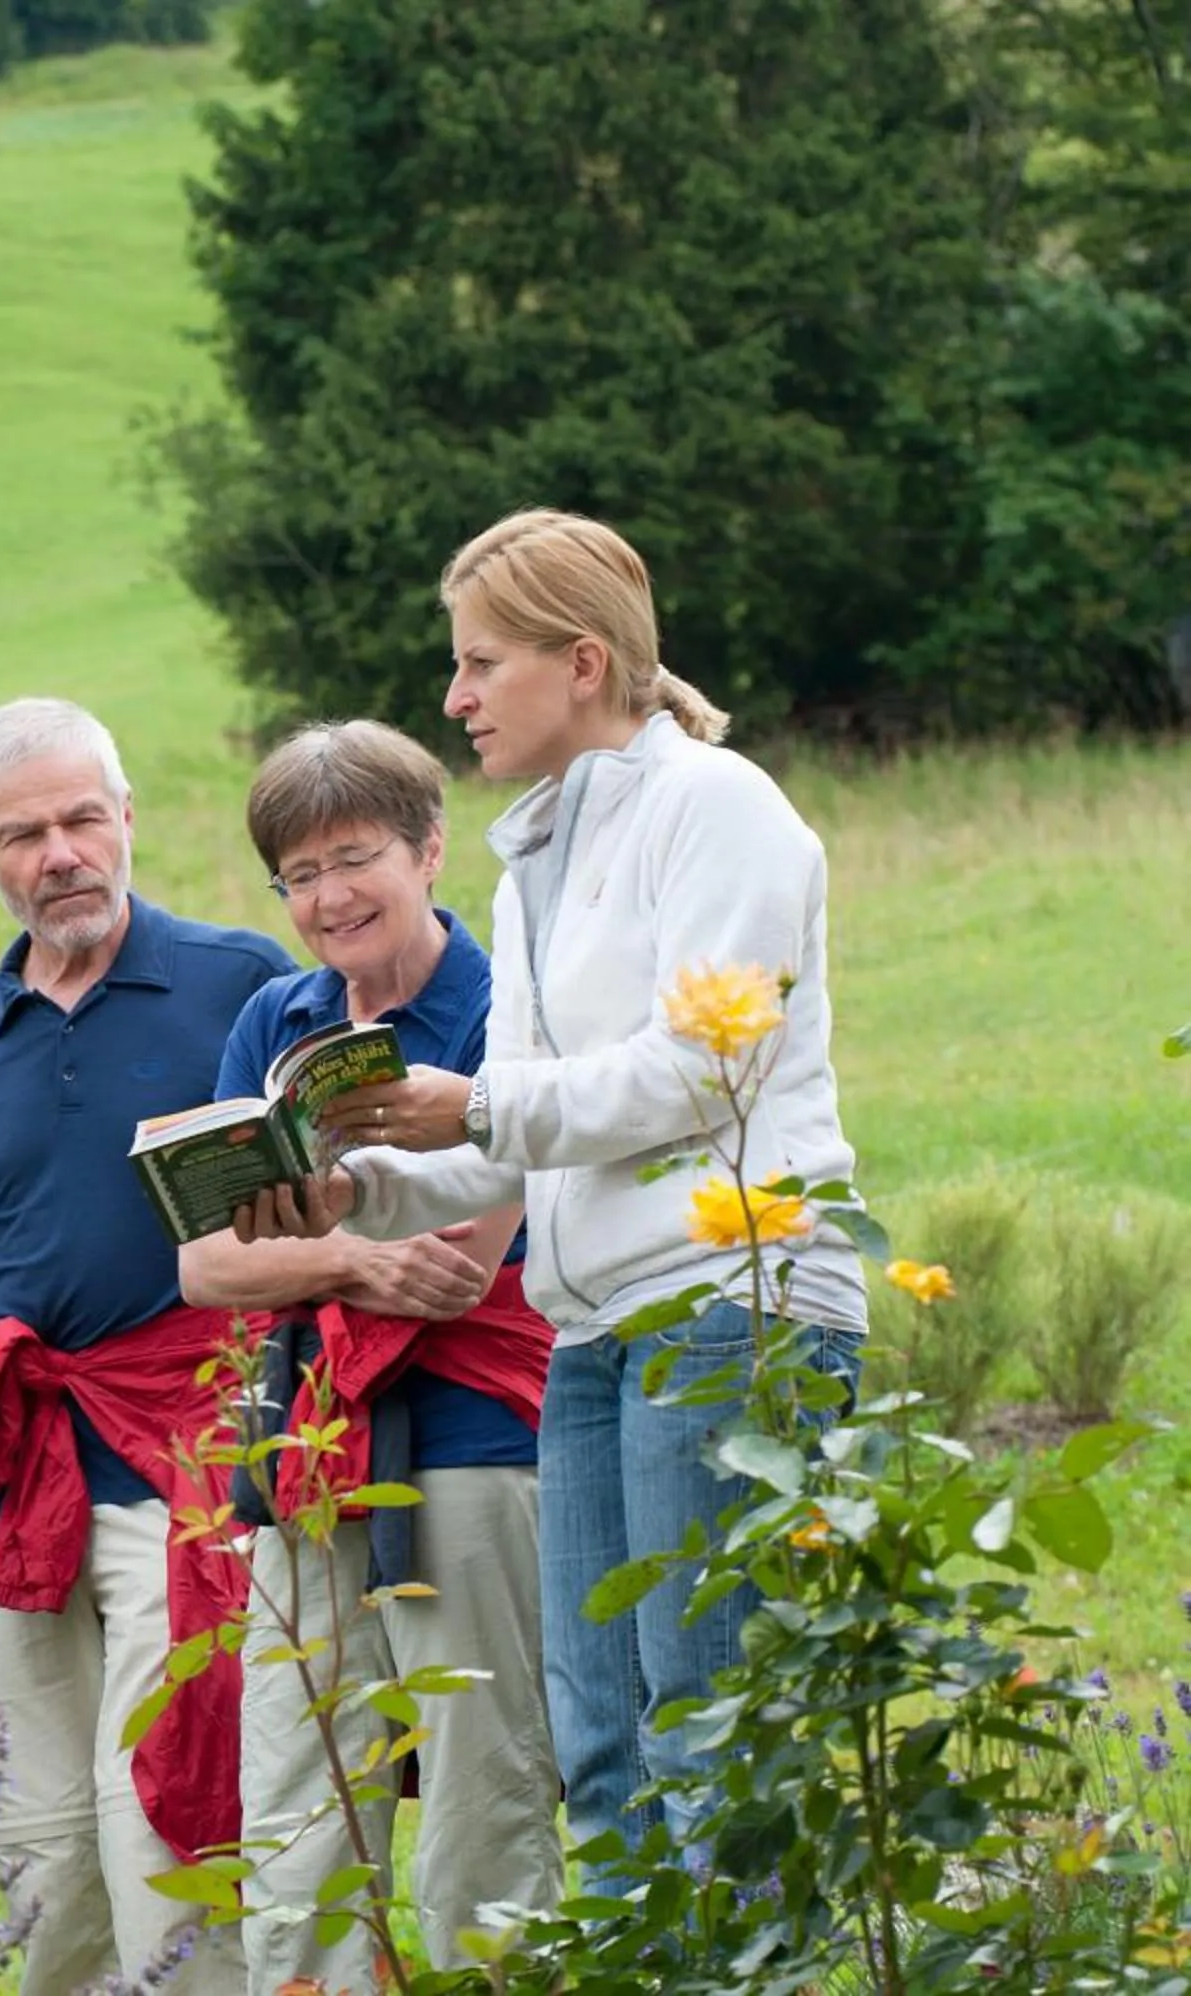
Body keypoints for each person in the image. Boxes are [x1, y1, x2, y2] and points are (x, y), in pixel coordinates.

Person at [238, 509, 867, 1857]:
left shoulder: (719, 808)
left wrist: (467, 1101)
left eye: (479, 665)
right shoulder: (534, 860)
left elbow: (708, 1072)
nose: (453, 700)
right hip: (592, 1332)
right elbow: (514, 1137)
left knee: (713, 1723)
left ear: (581, 661)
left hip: (733, 1307)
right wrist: (353, 1193)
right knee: (601, 1743)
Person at [0, 697, 288, 1996]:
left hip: (191, 1467)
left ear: (128, 821)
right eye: (24, 834)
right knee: (35, 1850)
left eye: (81, 820)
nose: (59, 855)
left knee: (162, 1819)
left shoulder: (241, 980)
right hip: (21, 1482)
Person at [175, 722, 559, 1988]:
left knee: (475, 1775)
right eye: (298, 873)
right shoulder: (275, 1019)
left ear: (429, 847)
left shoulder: (510, 1004)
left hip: (472, 1433)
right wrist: (346, 1261)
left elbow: (464, 1258)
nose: (329, 896)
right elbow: (204, 1266)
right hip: (307, 1437)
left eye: (356, 857)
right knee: (298, 1786)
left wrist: (332, 1236)